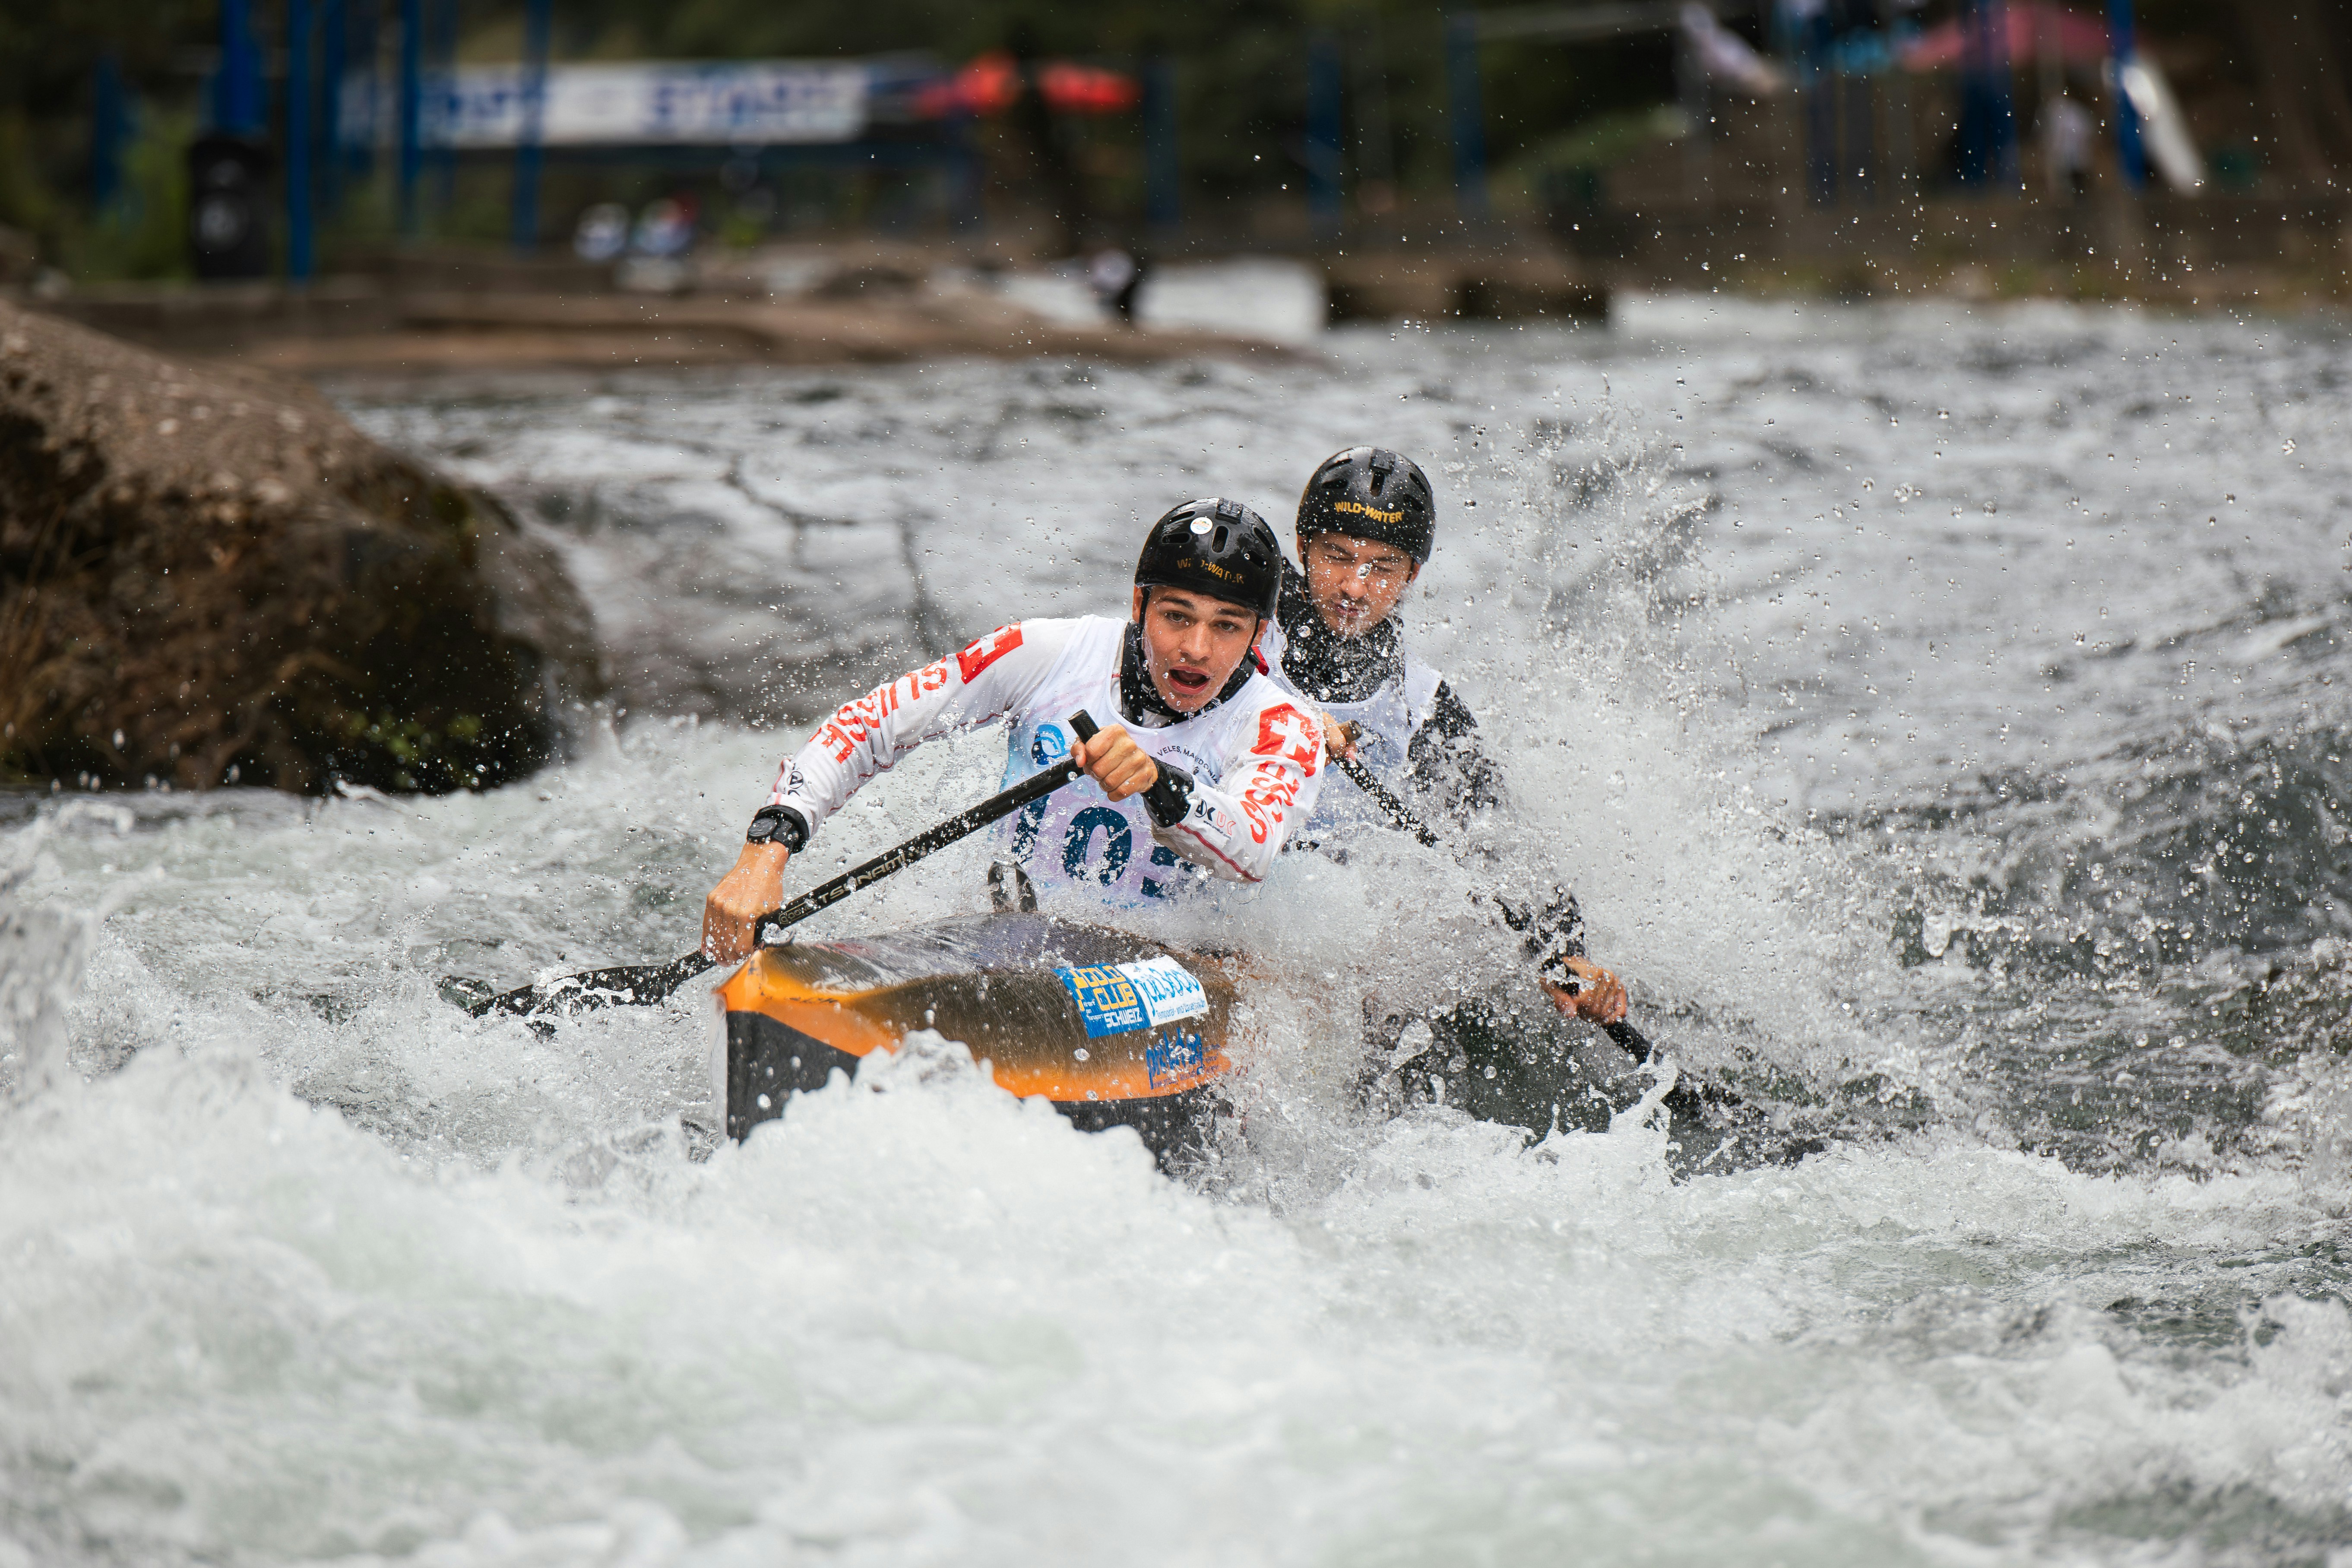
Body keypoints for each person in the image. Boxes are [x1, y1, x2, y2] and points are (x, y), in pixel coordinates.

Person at [702, 499, 1325, 962]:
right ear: (1138, 607)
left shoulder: (1284, 723)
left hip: (1170, 965)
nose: (1195, 649)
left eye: (1226, 627)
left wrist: (1160, 782)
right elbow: (872, 724)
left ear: (1258, 636)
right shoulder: (1045, 651)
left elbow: (1252, 847)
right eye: (1176, 616)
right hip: (1005, 935)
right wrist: (766, 849)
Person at [1260, 445, 1628, 1027]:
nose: (1354, 587)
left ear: (1412, 575)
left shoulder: (1423, 706)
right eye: (1337, 557)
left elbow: (1499, 839)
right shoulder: (1234, 631)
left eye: (1382, 567)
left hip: (1323, 942)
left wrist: (1566, 952)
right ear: (1303, 548)